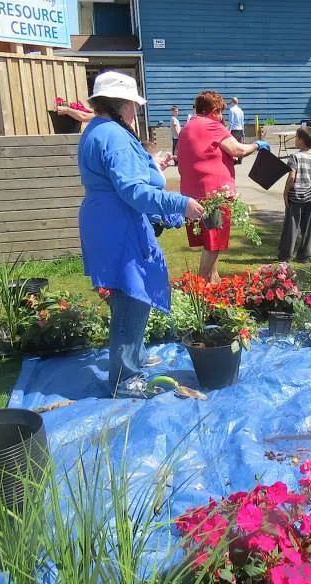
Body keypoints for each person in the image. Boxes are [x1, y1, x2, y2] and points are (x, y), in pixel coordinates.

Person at [77, 72, 204, 390]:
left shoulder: (98, 130)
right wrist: (182, 203)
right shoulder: (116, 137)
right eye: (133, 105)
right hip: (119, 224)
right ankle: (124, 377)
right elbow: (133, 191)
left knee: (133, 293)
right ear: (120, 105)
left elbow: (123, 176)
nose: (136, 111)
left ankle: (131, 354)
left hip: (107, 221)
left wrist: (150, 164)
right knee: (131, 295)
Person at [176, 90, 270, 283]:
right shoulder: (213, 126)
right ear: (213, 110)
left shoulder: (187, 127)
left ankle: (214, 279)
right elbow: (237, 150)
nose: (221, 117)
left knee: (209, 240)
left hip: (192, 195)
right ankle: (200, 284)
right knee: (214, 242)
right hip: (215, 194)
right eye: (220, 112)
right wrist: (257, 146)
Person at [278, 126, 311, 262]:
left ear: (301, 141)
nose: (295, 140)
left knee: (291, 227)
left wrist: (285, 193)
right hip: (309, 198)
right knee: (307, 228)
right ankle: (305, 255)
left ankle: (286, 255)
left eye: (296, 137)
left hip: (295, 196)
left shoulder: (294, 157)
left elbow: (292, 176)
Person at [228, 97, 246, 164]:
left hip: (234, 130)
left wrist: (228, 131)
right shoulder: (241, 111)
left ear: (232, 102)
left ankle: (232, 160)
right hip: (240, 129)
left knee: (232, 145)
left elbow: (231, 122)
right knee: (240, 145)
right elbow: (242, 122)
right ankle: (240, 159)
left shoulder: (231, 110)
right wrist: (243, 132)